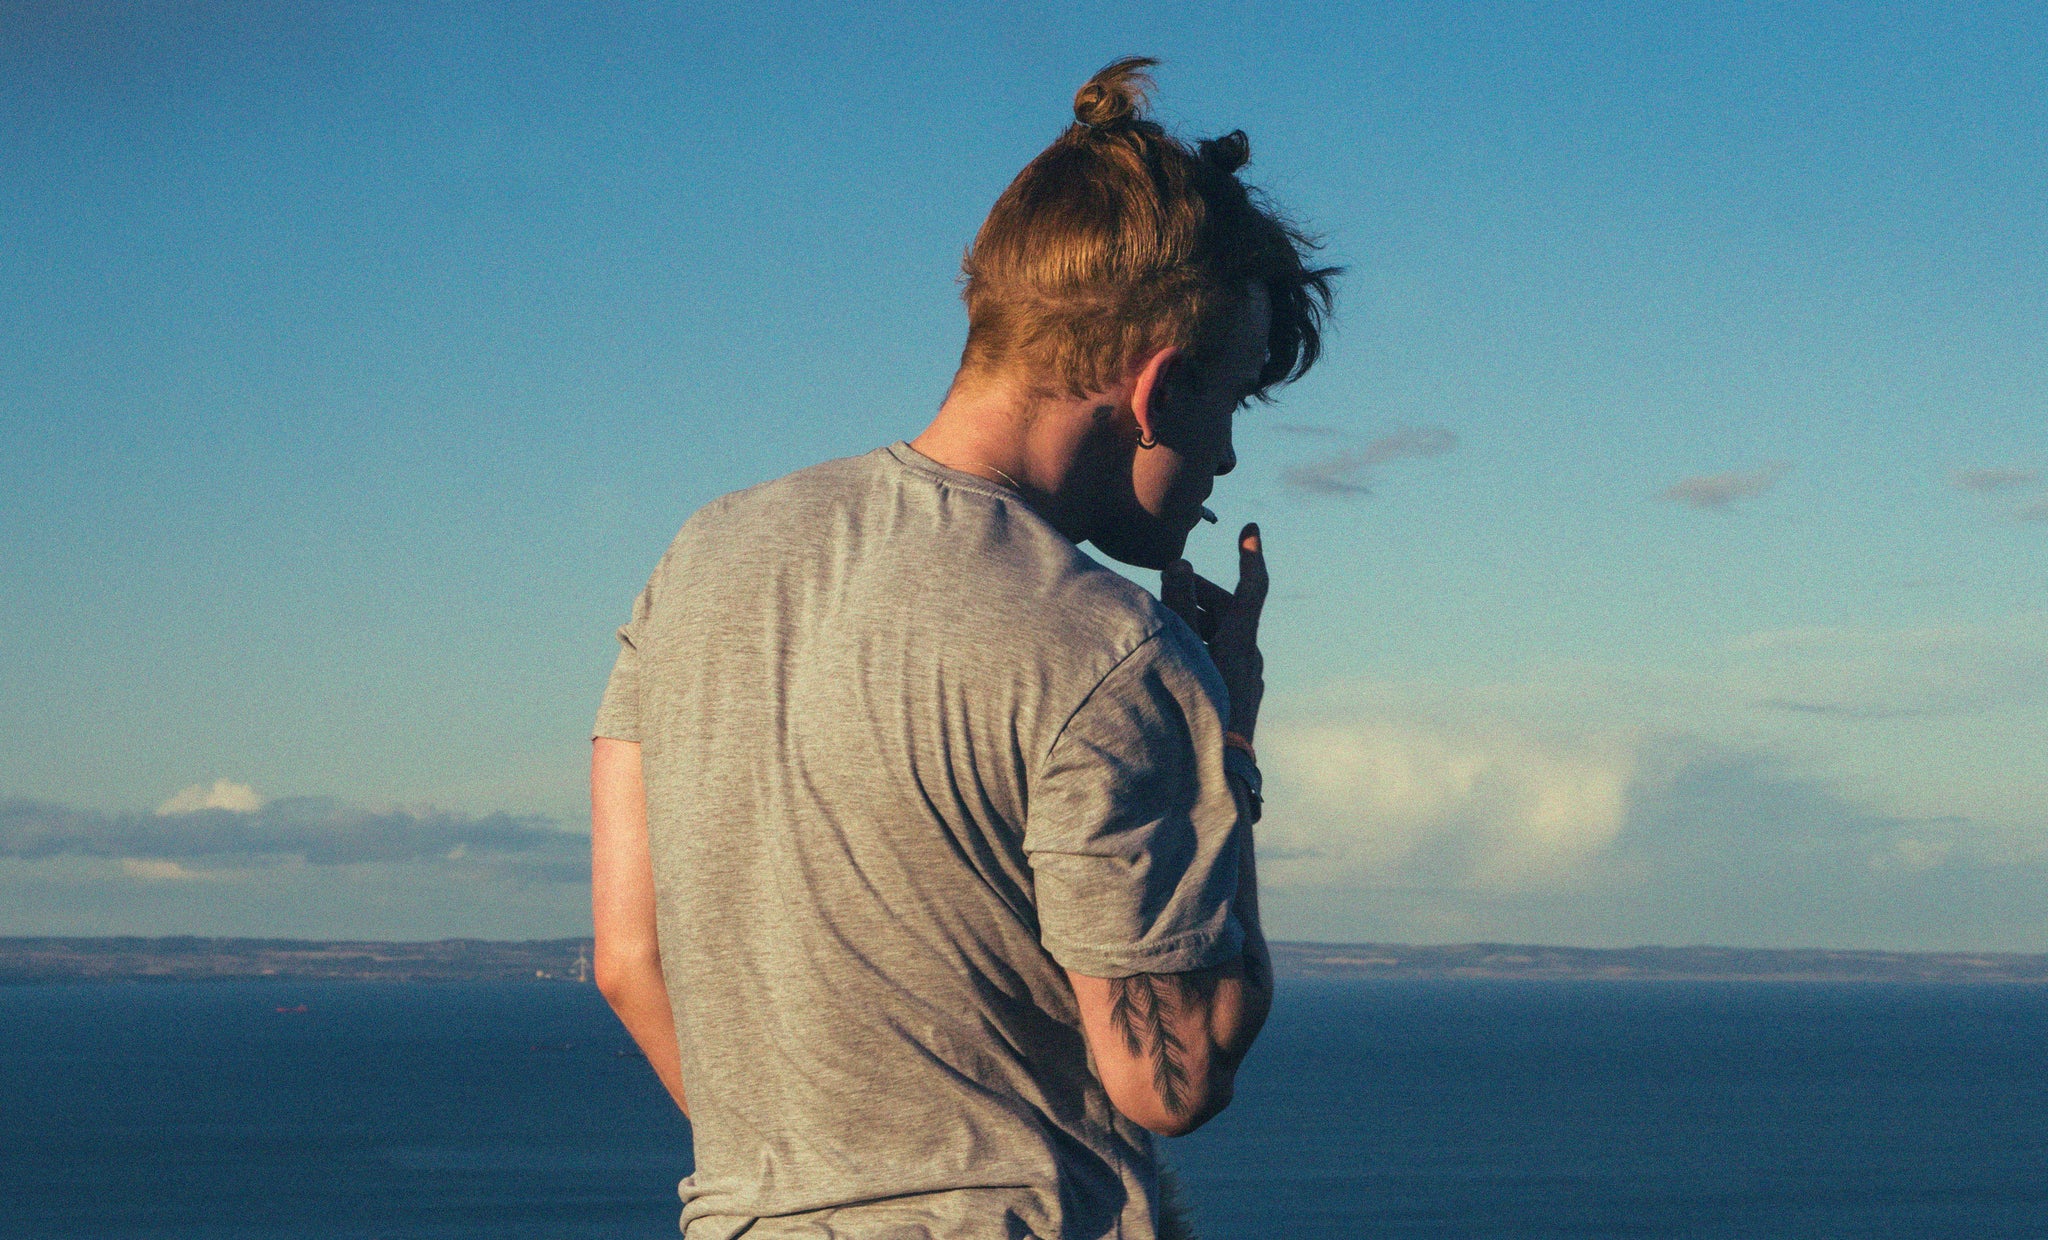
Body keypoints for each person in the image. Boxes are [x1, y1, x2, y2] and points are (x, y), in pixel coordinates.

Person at [590, 56, 1336, 1240]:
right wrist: (1224, 733)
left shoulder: (703, 557)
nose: (1225, 463)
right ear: (1155, 388)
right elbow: (1171, 1074)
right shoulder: (1104, 647)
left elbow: (630, 961)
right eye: (1231, 402)